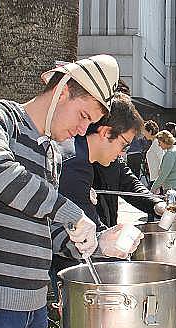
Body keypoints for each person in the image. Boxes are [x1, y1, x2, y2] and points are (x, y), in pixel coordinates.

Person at [0, 55, 121, 328]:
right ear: (62, 90)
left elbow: (45, 229)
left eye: (89, 123)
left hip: (35, 309)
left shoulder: (52, 152)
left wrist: (96, 244)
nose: (82, 130)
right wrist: (73, 213)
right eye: (82, 115)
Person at [51, 91, 149, 277]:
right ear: (105, 132)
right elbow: (83, 238)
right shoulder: (74, 163)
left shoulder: (78, 155)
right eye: (124, 145)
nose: (122, 154)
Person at [151, 130, 176, 199]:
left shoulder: (170, 153)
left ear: (165, 141)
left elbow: (163, 174)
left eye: (159, 142)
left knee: (169, 209)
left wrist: (153, 188)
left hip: (172, 186)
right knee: (175, 208)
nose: (159, 145)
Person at [144, 120, 164, 192]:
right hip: (155, 178)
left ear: (150, 131)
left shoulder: (156, 143)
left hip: (157, 180)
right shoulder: (155, 142)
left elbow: (162, 160)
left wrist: (159, 181)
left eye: (144, 131)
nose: (144, 134)